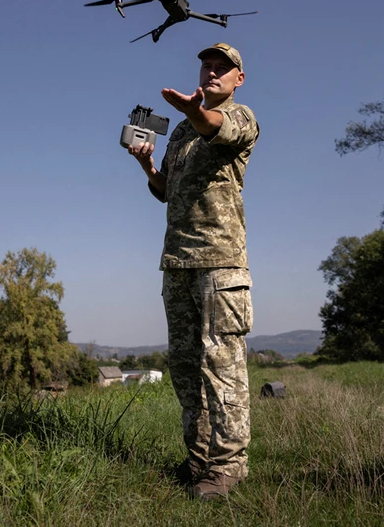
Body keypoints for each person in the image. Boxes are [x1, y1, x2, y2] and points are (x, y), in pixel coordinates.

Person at [128, 42, 259, 500]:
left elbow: (215, 126)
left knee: (222, 365)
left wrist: (195, 110)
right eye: (206, 65)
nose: (211, 72)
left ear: (238, 79)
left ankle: (227, 467)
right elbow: (166, 191)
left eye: (222, 68)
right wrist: (147, 164)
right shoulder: (182, 131)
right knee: (186, 368)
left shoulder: (241, 117)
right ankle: (200, 460)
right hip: (177, 262)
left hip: (221, 262)